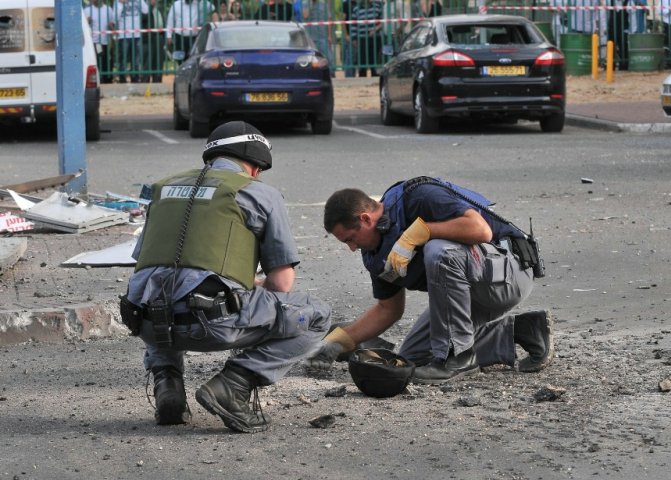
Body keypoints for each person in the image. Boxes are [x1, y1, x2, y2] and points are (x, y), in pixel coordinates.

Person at [120, 121, 331, 432]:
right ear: (255, 165)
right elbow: (282, 285)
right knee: (317, 315)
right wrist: (249, 286)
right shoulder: (260, 193)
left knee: (159, 291)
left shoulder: (162, 189)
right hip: (211, 325)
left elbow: (150, 263)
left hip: (147, 323)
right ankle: (234, 384)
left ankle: (168, 387)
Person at [308, 177, 554, 385]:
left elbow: (481, 230)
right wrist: (337, 343)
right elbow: (388, 310)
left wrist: (420, 233)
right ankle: (523, 330)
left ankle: (458, 358)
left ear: (365, 219)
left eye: (350, 239)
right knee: (412, 358)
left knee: (439, 250)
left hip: (509, 273)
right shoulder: (374, 252)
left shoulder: (419, 197)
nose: (352, 248)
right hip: (473, 293)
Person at [113, 0, 149, 83]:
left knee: (136, 59)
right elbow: (115, 18)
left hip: (136, 33)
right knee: (123, 59)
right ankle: (122, 79)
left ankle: (135, 78)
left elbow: (146, 10)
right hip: (124, 34)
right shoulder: (118, 1)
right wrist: (121, 4)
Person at [84, 0, 116, 84]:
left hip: (106, 41)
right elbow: (83, 26)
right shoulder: (88, 10)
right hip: (95, 41)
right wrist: (87, 22)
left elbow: (111, 23)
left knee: (106, 60)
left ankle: (107, 78)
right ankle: (100, 79)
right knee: (97, 60)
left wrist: (114, 33)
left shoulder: (108, 9)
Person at [350, 0, 383, 77]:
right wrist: (354, 38)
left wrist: (375, 29)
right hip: (362, 39)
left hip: (375, 39)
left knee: (374, 61)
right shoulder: (356, 9)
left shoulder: (377, 7)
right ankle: (362, 79)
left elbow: (383, 21)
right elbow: (353, 25)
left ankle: (375, 79)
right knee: (362, 62)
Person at [142, 0, 165, 82]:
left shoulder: (159, 8)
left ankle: (157, 81)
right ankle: (145, 81)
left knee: (158, 61)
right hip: (148, 38)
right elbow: (143, 18)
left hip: (159, 36)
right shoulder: (144, 8)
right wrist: (150, 6)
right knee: (147, 62)